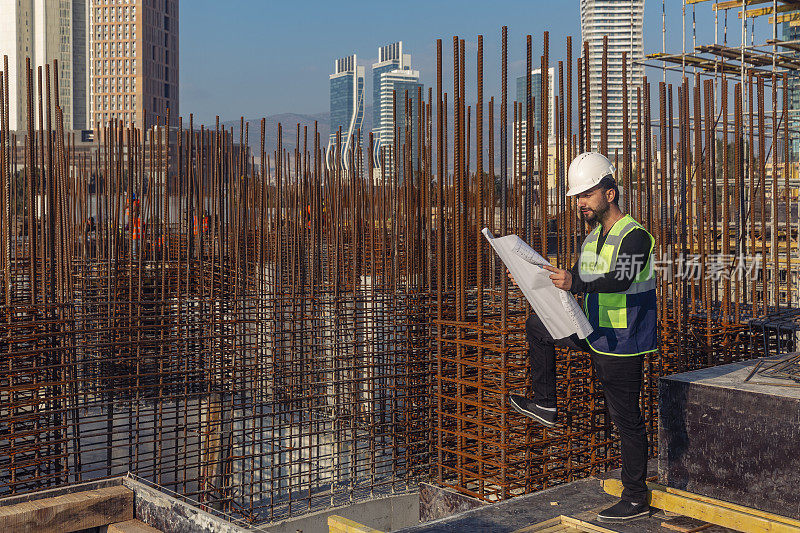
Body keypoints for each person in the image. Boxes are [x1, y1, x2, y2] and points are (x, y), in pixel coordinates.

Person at [507, 152, 656, 524]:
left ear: (609, 193)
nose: (580, 203)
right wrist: (535, 278)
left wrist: (574, 281)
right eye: (577, 197)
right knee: (538, 326)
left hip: (623, 341)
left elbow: (619, 280)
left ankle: (636, 497)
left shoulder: (636, 237)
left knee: (626, 420)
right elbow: (576, 274)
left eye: (586, 195)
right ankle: (545, 403)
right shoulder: (593, 238)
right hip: (591, 330)